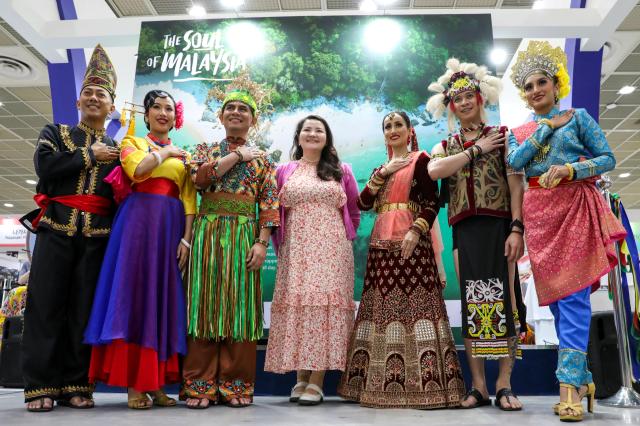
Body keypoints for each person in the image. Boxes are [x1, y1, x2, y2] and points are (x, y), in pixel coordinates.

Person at [507, 40, 626, 422]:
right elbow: (515, 162)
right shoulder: (520, 130)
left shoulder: (579, 116)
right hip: (540, 216)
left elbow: (607, 157)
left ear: (556, 84)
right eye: (528, 86)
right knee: (557, 303)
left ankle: (569, 389)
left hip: (574, 207)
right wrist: (544, 130)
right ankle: (584, 378)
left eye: (542, 82)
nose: (536, 90)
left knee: (573, 298)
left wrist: (573, 170)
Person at [337, 111, 465, 409]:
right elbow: (363, 203)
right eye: (388, 126)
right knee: (382, 310)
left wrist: (415, 232)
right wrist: (382, 174)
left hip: (412, 248)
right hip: (381, 250)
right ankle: (378, 386)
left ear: (410, 131)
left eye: (398, 125)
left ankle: (425, 387)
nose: (393, 130)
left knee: (416, 308)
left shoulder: (421, 159)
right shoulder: (382, 168)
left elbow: (432, 202)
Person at [20, 44, 120, 412]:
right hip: (56, 229)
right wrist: (89, 155)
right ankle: (39, 386)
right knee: (45, 306)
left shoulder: (120, 148)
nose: (94, 98)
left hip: (97, 237)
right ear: (78, 102)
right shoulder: (56, 133)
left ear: (113, 106)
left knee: (84, 309)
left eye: (102, 94)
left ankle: (77, 383)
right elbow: (45, 169)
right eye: (88, 93)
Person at [83, 90, 196, 409]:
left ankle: (155, 382)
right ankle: (135, 384)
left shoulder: (184, 155)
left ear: (176, 118)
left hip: (170, 227)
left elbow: (189, 199)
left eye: (169, 109)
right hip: (137, 226)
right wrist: (168, 152)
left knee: (161, 300)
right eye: (156, 108)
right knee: (135, 297)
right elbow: (138, 171)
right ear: (146, 115)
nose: (163, 113)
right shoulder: (133, 143)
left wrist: (186, 238)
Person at [426, 58, 527, 411]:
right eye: (458, 99)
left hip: (499, 226)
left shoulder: (503, 137)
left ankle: (504, 383)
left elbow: (516, 186)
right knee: (473, 304)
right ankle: (479, 385)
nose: (465, 103)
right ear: (451, 106)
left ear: (480, 98)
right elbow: (434, 170)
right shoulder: (447, 143)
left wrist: (517, 227)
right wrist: (474, 151)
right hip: (464, 230)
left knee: (506, 301)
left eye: (470, 96)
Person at [180, 79, 279, 408]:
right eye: (231, 108)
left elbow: (269, 205)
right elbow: (199, 180)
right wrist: (237, 155)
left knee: (240, 311)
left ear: (254, 119)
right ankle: (200, 384)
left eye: (244, 109)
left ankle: (237, 384)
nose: (237, 113)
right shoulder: (205, 151)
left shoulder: (264, 161)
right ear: (221, 117)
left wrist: (262, 243)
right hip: (207, 234)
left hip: (243, 237)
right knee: (204, 308)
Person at [264, 115, 360, 405]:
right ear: (299, 137)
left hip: (331, 251)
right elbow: (273, 209)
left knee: (322, 310)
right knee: (301, 310)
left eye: (319, 130)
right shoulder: (284, 171)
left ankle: (316, 381)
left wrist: (342, 241)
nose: (313, 133)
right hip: (296, 251)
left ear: (326, 138)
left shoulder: (341, 170)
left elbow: (354, 210)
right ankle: (301, 378)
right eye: (307, 129)